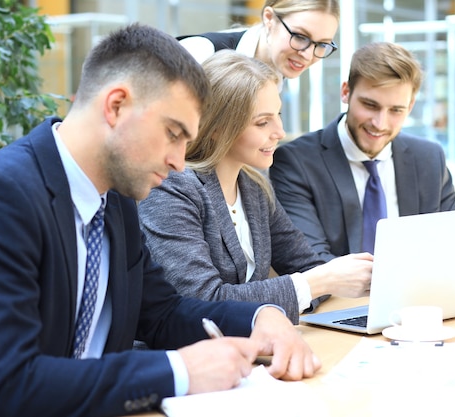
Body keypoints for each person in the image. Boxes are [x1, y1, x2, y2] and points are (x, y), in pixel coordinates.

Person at [0, 24, 320, 417]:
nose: (181, 161)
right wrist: (177, 370)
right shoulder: (0, 196)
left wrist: (259, 315)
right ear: (116, 106)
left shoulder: (115, 198)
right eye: (173, 133)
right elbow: (6, 384)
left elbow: (162, 313)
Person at [138, 50, 373, 325]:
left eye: (278, 115)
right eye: (262, 122)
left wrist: (323, 280)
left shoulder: (254, 188)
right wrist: (316, 283)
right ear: (216, 126)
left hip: (249, 348)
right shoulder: (172, 189)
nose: (280, 132)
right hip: (188, 358)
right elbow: (202, 302)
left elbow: (307, 267)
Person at [270, 41, 455, 263]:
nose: (380, 123)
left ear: (410, 107)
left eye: (396, 110)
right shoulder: (296, 162)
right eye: (370, 105)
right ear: (346, 92)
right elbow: (309, 261)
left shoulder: (429, 158)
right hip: (339, 298)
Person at [177, 0, 339, 85]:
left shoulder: (278, 71)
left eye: (322, 45)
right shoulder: (201, 53)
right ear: (269, 18)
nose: (308, 55)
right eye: (300, 36)